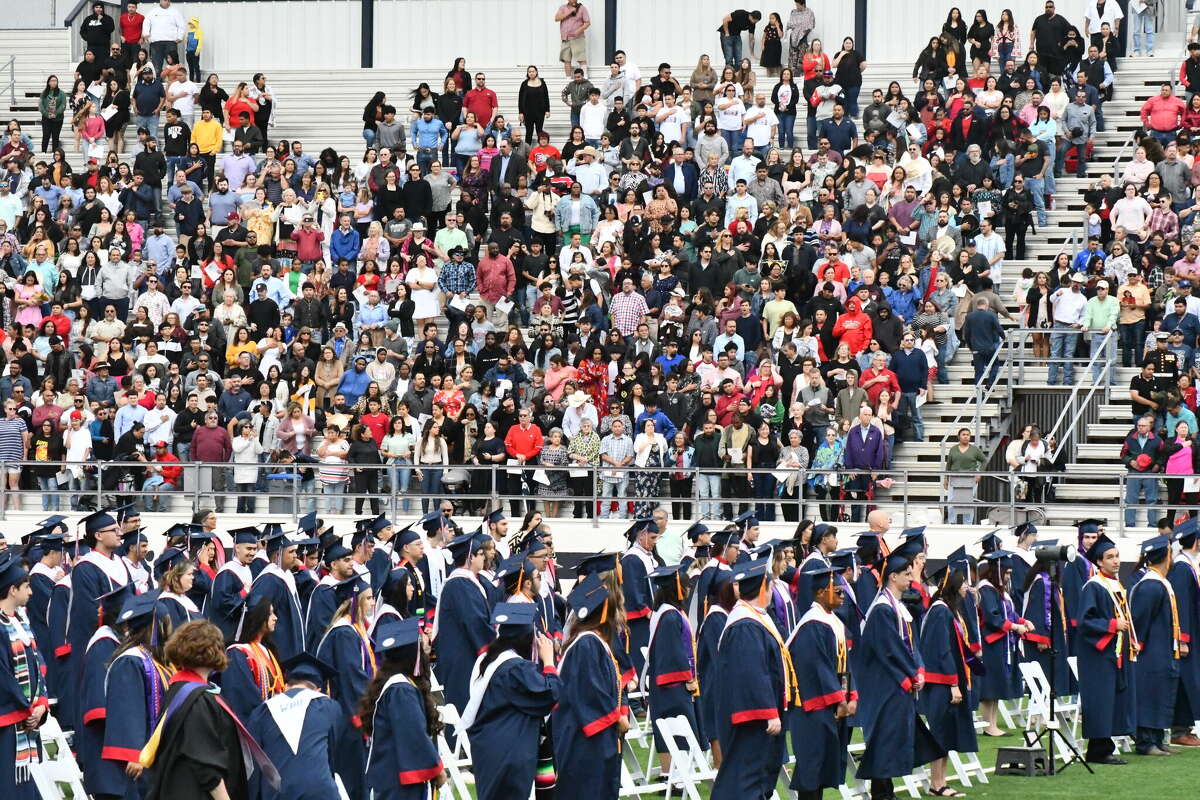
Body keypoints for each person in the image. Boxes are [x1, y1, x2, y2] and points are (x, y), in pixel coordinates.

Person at [856, 544, 941, 800]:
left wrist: (919, 669)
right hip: (884, 686)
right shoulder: (882, 608)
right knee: (884, 740)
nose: (909, 578)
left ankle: (885, 791)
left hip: (897, 683)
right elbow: (889, 649)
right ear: (892, 576)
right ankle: (882, 794)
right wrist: (911, 674)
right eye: (905, 574)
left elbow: (909, 644)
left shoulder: (896, 606)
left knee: (892, 740)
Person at [710, 555, 793, 799]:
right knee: (744, 778)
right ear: (761, 588)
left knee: (757, 777)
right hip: (751, 717)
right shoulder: (745, 624)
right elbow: (752, 672)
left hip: (755, 714)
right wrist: (768, 711)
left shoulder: (754, 618)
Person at [461, 603, 560, 800]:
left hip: (489, 748)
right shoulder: (516, 669)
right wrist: (548, 662)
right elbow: (550, 694)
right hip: (509, 753)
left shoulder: (488, 660)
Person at [552, 573, 627, 799]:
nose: (619, 614)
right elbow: (590, 692)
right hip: (583, 741)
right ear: (604, 612)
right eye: (616, 607)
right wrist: (616, 717)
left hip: (590, 738)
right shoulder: (587, 644)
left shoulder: (592, 642)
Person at [786, 561, 855, 800]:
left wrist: (851, 694)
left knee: (824, 763)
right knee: (812, 765)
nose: (842, 594)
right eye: (837, 590)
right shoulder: (812, 624)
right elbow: (817, 667)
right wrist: (839, 698)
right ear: (819, 592)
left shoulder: (833, 621)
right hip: (812, 707)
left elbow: (844, 663)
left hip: (830, 704)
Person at [245, 652, 343, 800]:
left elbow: (254, 765)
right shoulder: (329, 706)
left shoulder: (261, 712)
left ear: (286, 686)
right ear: (318, 689)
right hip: (320, 792)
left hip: (277, 793)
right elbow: (334, 756)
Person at [313, 574, 375, 800]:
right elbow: (352, 680)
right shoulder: (344, 633)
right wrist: (364, 715)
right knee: (353, 779)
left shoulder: (355, 630)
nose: (372, 603)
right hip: (348, 716)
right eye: (367, 598)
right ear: (354, 602)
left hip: (351, 712)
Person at [1077, 533, 1137, 764]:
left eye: (1118, 556)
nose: (1116, 561)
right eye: (1110, 557)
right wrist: (1112, 625)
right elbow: (1084, 621)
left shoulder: (1115, 584)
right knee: (1100, 699)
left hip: (1114, 651)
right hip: (1097, 654)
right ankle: (1098, 750)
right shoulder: (1093, 586)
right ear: (1099, 562)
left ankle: (1105, 746)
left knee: (1112, 699)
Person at [919, 561, 974, 798]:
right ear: (953, 584)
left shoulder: (945, 609)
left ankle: (941, 781)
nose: (967, 587)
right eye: (964, 582)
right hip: (942, 682)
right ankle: (936, 784)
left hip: (947, 680)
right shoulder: (940, 610)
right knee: (940, 732)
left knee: (947, 732)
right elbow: (941, 651)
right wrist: (953, 684)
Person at [643, 562, 702, 775]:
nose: (687, 591)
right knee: (676, 728)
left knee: (667, 729)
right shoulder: (669, 616)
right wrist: (688, 678)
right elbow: (674, 652)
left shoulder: (663, 612)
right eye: (685, 587)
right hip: (672, 683)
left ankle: (671, 776)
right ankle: (676, 778)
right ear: (676, 588)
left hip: (664, 683)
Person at [1129, 534, 1184, 757]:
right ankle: (1145, 742)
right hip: (1151, 650)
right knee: (1149, 693)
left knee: (1160, 693)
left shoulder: (1161, 581)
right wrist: (1139, 645)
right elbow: (1140, 620)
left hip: (1163, 648)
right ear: (1167, 555)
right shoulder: (1150, 584)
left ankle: (1158, 739)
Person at [431, 530, 495, 720]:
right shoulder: (460, 584)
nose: (484, 557)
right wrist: (493, 650)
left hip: (465, 654)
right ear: (470, 557)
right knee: (462, 705)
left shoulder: (468, 582)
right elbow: (475, 622)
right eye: (481, 554)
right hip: (463, 657)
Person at [0, 552, 49, 800]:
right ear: (12, 590)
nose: (31, 592)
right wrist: (27, 710)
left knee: (26, 786)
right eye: (26, 586)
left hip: (27, 719)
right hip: (8, 724)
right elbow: (3, 678)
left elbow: (38, 666)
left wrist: (41, 705)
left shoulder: (20, 621)